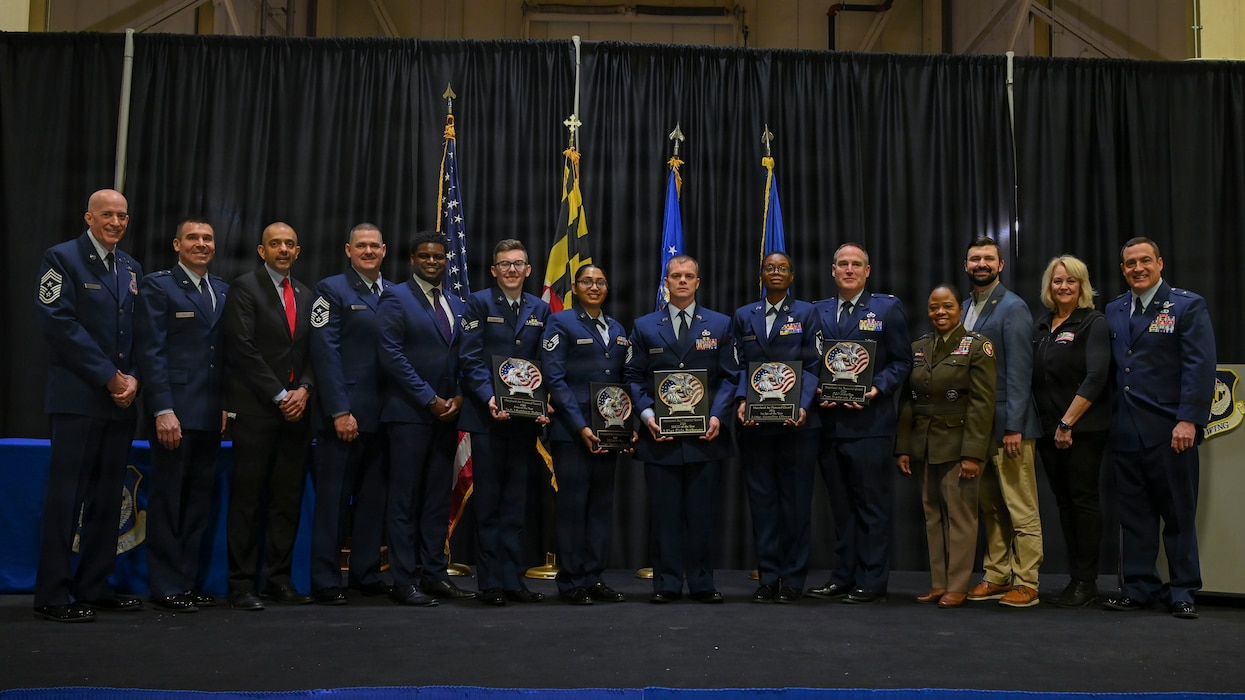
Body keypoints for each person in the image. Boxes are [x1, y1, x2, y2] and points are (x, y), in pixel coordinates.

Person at [33, 188, 144, 622]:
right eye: (107, 215)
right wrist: (110, 375)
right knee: (67, 498)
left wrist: (132, 377)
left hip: (120, 402)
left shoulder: (131, 267)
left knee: (105, 497)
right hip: (78, 398)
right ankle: (53, 594)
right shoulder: (61, 259)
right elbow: (59, 324)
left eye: (122, 216)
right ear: (89, 218)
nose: (116, 222)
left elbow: (135, 331)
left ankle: (94, 585)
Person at [1103, 237, 1215, 620]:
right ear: (1123, 269)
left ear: (1160, 263)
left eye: (1145, 261)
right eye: (1130, 263)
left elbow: (1201, 367)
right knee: (1134, 516)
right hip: (1125, 431)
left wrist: (1190, 420)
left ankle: (1183, 590)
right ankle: (1138, 587)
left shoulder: (1187, 305)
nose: (1138, 268)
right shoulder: (1114, 309)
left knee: (1179, 516)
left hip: (1171, 431)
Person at [624, 255, 738, 604]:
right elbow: (632, 377)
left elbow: (731, 377)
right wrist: (646, 417)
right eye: (676, 276)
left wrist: (718, 416)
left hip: (707, 438)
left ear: (698, 282)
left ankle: (703, 583)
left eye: (689, 276)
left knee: (702, 517)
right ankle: (667, 584)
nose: (683, 281)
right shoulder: (644, 326)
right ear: (666, 282)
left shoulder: (719, 324)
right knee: (665, 516)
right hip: (662, 438)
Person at [807, 243, 912, 605]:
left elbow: (901, 361)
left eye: (856, 264)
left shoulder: (886, 308)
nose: (849, 270)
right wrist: (814, 385)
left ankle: (872, 580)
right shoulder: (816, 312)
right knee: (840, 507)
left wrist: (876, 388)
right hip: (828, 424)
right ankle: (842, 576)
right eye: (843, 264)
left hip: (869, 423)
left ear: (868, 271)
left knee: (872, 506)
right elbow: (807, 362)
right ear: (832, 270)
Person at [135, 217, 228, 613]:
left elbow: (224, 358)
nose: (201, 244)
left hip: (210, 415)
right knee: (168, 502)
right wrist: (162, 408)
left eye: (207, 238)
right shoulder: (159, 286)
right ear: (177, 244)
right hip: (173, 414)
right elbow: (151, 352)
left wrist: (227, 403)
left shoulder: (222, 290)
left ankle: (188, 583)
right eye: (193, 238)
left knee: (197, 504)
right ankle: (166, 585)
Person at [221, 221, 316, 610]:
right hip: (258, 411)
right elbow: (242, 349)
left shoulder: (309, 296)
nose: (282, 250)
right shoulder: (245, 287)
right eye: (274, 244)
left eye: (289, 244)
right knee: (248, 501)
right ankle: (242, 584)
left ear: (297, 251)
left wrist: (305, 389)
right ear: (262, 251)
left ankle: (278, 579)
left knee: (286, 500)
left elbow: (316, 352)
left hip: (297, 414)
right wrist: (280, 395)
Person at [377, 231, 473, 606]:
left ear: (446, 259)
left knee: (436, 499)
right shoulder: (395, 298)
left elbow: (468, 355)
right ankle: (403, 579)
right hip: (409, 415)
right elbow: (391, 355)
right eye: (424, 256)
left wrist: (461, 396)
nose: (432, 261)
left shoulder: (457, 303)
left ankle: (434, 573)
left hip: (448, 415)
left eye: (438, 256)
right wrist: (429, 399)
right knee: (404, 499)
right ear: (412, 259)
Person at [459, 239, 551, 606]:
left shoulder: (541, 309)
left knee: (515, 505)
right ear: (494, 270)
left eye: (518, 264)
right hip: (487, 418)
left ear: (528, 270)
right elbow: (470, 359)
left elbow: (545, 364)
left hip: (525, 422)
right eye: (504, 264)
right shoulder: (478, 304)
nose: (512, 270)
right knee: (490, 503)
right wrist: (489, 396)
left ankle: (513, 581)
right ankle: (490, 583)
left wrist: (546, 402)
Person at [896, 285, 996, 609]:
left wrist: (973, 454)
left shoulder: (977, 347)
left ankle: (959, 584)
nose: (940, 312)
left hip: (959, 444)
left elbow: (983, 405)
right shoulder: (919, 348)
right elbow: (909, 403)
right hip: (925, 444)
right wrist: (904, 448)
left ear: (959, 309)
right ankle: (939, 583)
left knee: (962, 517)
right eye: (934, 307)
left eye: (947, 307)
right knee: (932, 516)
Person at [307, 223, 391, 605]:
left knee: (374, 501)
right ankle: (325, 578)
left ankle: (365, 573)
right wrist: (340, 410)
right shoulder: (331, 290)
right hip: (345, 417)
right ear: (348, 250)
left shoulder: (394, 294)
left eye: (374, 246)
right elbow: (325, 355)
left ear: (385, 250)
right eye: (362, 246)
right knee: (333, 502)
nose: (368, 251)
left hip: (385, 417)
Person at [730, 252, 820, 604]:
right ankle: (767, 578)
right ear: (762, 274)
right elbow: (735, 365)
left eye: (782, 268)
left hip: (797, 426)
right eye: (770, 268)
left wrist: (801, 405)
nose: (776, 272)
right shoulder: (744, 315)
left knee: (796, 506)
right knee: (762, 504)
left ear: (792, 275)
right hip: (754, 426)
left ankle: (793, 580)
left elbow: (813, 365)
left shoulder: (807, 314)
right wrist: (741, 400)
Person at [541, 264, 632, 605]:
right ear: (575, 288)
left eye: (600, 282)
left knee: (600, 507)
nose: (594, 287)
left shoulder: (618, 329)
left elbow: (625, 380)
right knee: (573, 506)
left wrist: (627, 425)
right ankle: (571, 581)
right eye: (587, 282)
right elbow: (554, 378)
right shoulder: (561, 322)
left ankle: (593, 576)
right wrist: (581, 425)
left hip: (610, 432)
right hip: (572, 432)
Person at [961, 236, 1044, 608]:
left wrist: (1015, 426)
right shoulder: (964, 307)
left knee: (1021, 507)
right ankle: (997, 573)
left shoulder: (1013, 308)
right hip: (977, 426)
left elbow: (1021, 373)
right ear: (967, 265)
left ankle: (1027, 580)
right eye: (975, 258)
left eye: (988, 259)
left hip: (1010, 426)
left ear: (1001, 265)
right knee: (990, 506)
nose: (981, 264)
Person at [1031, 255, 1111, 608]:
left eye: (1071, 281)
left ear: (1082, 286)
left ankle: (1087, 581)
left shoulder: (1092, 322)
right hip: (1049, 431)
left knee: (1083, 503)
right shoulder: (1042, 326)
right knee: (1064, 504)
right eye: (1057, 281)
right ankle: (1075, 577)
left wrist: (1067, 422)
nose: (1063, 287)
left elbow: (1096, 377)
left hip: (1082, 431)